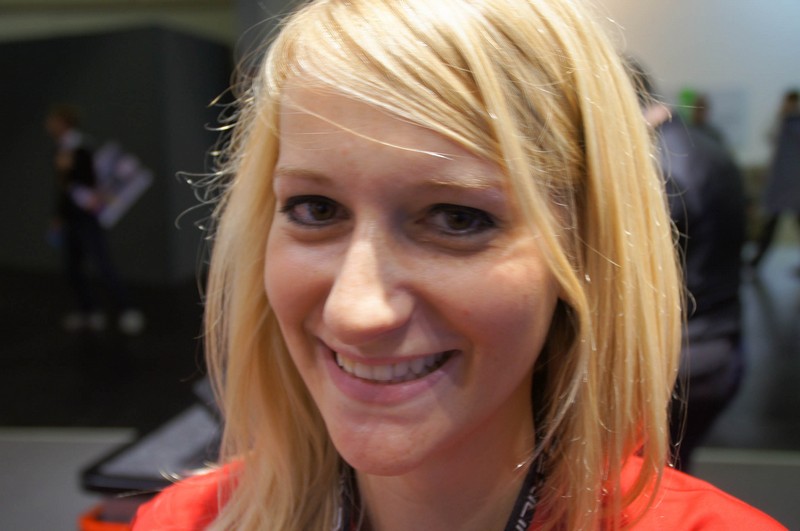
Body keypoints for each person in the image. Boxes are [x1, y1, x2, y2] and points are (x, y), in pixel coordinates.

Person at [133, 0, 785, 529]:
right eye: (315, 209)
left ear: (582, 247)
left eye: (457, 218)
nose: (356, 310)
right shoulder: (187, 522)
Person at [629, 63, 747, 472]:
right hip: (718, 336)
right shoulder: (703, 143)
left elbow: (639, 271)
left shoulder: (660, 167)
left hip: (682, 353)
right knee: (673, 472)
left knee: (654, 481)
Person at [45, 104, 145, 335]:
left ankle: (128, 309)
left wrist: (70, 169)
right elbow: (64, 189)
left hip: (86, 217)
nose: (49, 126)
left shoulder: (81, 147)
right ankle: (89, 312)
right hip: (71, 217)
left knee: (102, 263)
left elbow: (89, 180)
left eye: (53, 121)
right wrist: (59, 215)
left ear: (63, 122)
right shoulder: (61, 149)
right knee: (72, 267)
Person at [748, 90, 800, 270]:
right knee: (770, 225)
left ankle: (756, 261)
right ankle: (756, 261)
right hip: (783, 183)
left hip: (795, 184)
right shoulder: (782, 122)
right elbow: (769, 137)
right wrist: (780, 116)